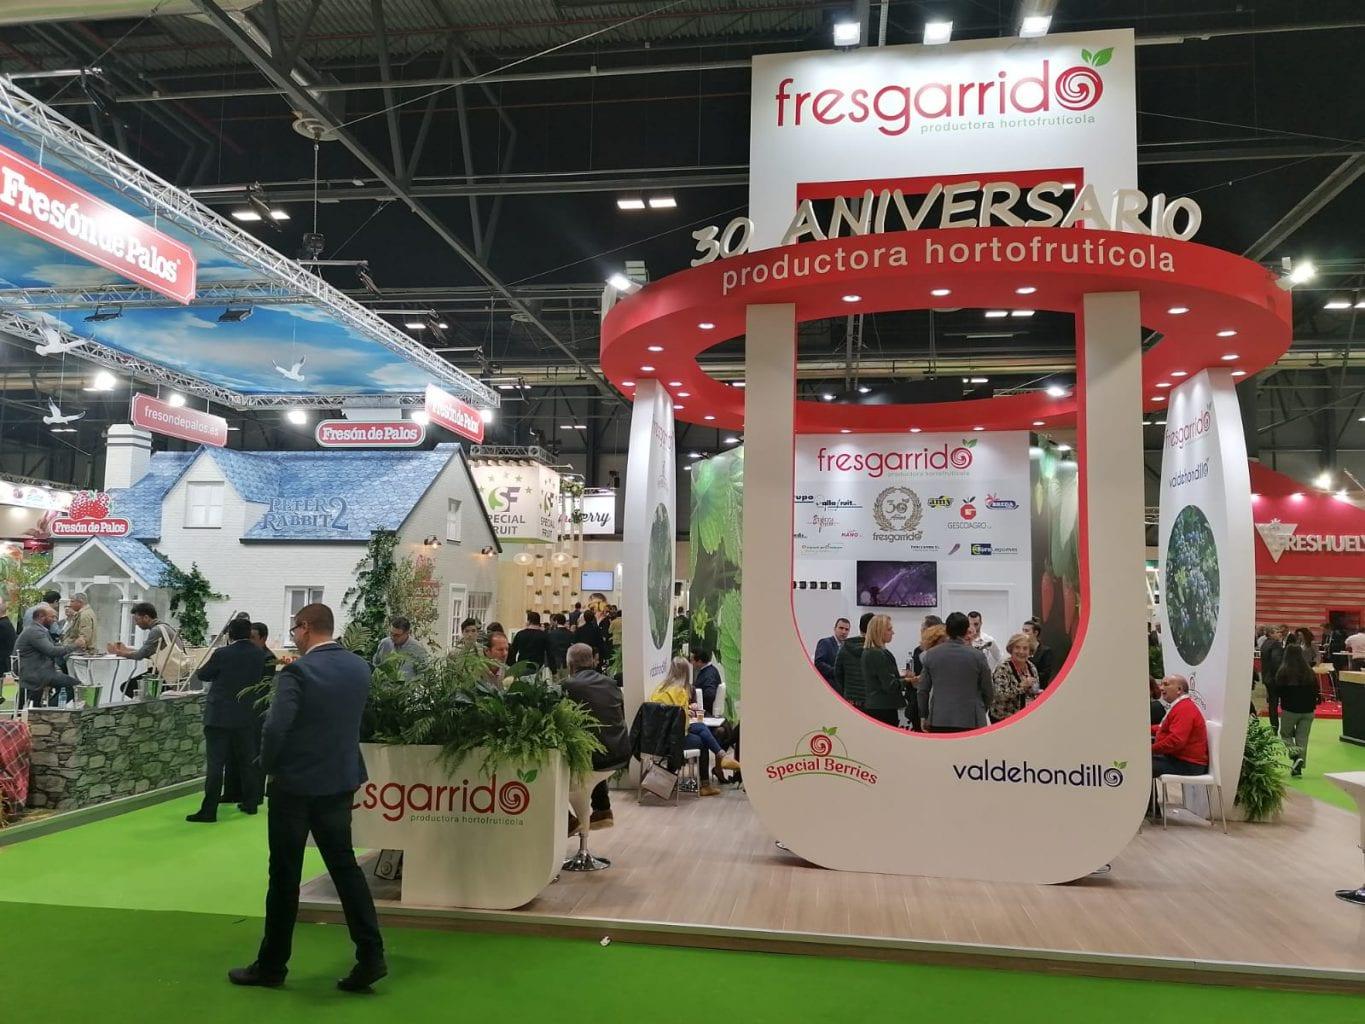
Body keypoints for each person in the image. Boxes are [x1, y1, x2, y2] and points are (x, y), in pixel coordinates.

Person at [229, 603, 385, 993]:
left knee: (284, 875)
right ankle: (371, 955)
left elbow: (275, 727)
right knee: (345, 868)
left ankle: (272, 965)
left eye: (295, 629)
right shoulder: (359, 667)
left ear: (305, 628)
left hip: (295, 785)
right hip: (340, 780)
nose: (294, 637)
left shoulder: (297, 672)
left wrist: (266, 765)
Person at [189, 617, 268, 822]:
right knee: (247, 761)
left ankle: (209, 810)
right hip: (246, 715)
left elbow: (204, 675)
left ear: (230, 634)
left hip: (220, 716)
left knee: (216, 764)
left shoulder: (222, 653)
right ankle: (251, 803)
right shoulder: (259, 654)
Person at [562, 642, 630, 831]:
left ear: (570, 665)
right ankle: (603, 809)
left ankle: (567, 820)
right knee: (593, 745)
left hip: (592, 760)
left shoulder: (566, 687)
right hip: (619, 753)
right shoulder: (611, 684)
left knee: (552, 772)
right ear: (592, 661)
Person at [649, 657, 739, 793]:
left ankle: (720, 759)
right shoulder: (680, 691)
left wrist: (686, 712)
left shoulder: (659, 689)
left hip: (656, 738)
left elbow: (669, 715)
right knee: (702, 740)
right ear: (686, 673)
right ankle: (708, 780)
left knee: (700, 731)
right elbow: (682, 724)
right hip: (672, 739)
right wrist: (688, 715)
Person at [917, 612, 993, 733]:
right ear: (966, 630)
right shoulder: (978, 656)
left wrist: (923, 715)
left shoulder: (931, 655)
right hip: (971, 718)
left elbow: (922, 690)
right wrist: (982, 708)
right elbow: (988, 689)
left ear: (946, 630)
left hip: (939, 718)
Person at [107, 602, 181, 698]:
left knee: (127, 687)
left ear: (146, 617)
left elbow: (140, 655)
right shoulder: (165, 627)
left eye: (137, 619)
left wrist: (120, 653)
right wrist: (127, 650)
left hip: (166, 674)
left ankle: (147, 705)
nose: (136, 624)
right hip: (173, 672)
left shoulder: (156, 631)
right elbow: (149, 652)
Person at [15, 602, 78, 708]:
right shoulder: (35, 632)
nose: (55, 620)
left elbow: (52, 647)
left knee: (63, 682)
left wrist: (65, 647)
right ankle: (48, 711)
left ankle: (43, 711)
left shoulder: (36, 630)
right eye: (52, 617)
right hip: (36, 672)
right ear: (41, 616)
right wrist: (75, 646)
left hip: (35, 670)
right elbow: (51, 651)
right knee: (72, 686)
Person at [1150, 674, 1208, 779]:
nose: (1161, 688)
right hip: (1177, 759)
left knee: (1139, 765)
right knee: (1139, 761)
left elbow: (1176, 740)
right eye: (1161, 684)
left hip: (1188, 765)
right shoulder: (1181, 705)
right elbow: (1164, 729)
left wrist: (1150, 749)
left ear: (1179, 690)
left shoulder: (1185, 708)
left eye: (1166, 684)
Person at [1276, 639, 1319, 777]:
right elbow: (1316, 690)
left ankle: (1295, 756)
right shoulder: (1309, 672)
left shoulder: (1283, 672)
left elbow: (1278, 691)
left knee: (1285, 734)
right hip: (1308, 710)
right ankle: (1298, 767)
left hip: (1290, 709)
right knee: (1302, 738)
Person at [861, 615, 906, 727]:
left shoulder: (871, 651)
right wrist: (908, 681)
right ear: (879, 631)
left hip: (877, 706)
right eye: (889, 629)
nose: (893, 633)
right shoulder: (877, 653)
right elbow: (890, 685)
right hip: (883, 708)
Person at [990, 632, 1040, 722]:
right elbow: (1000, 695)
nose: (1021, 651)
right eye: (1017, 647)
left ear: (1030, 651)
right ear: (1011, 649)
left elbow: (1034, 689)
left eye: (1025, 648)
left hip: (1026, 716)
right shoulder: (1003, 668)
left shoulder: (1032, 667)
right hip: (1004, 718)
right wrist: (1021, 686)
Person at [833, 612, 873, 708]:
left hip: (850, 700)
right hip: (871, 700)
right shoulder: (876, 649)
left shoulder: (845, 646)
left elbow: (837, 672)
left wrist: (846, 690)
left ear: (860, 627)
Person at [1259, 625, 1285, 731]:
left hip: (1267, 677)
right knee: (1284, 702)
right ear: (1270, 634)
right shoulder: (1275, 644)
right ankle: (1287, 728)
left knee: (1272, 704)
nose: (1280, 634)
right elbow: (1276, 662)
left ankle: (1274, 726)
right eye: (1277, 632)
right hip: (1275, 678)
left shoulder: (1265, 643)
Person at [813, 618, 850, 684]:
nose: (844, 632)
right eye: (841, 628)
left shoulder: (847, 647)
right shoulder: (825, 642)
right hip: (828, 685)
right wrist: (836, 672)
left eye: (846, 629)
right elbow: (818, 663)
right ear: (835, 629)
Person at [689, 647, 723, 716]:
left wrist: (697, 704)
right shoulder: (708, 671)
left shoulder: (709, 675)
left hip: (705, 711)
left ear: (699, 661)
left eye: (692, 660)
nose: (691, 663)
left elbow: (710, 695)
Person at [1022, 619, 1055, 688]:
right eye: (1023, 630)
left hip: (1039, 687)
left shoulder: (1045, 651)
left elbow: (1046, 673)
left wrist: (1030, 678)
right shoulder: (1022, 650)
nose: (1023, 633)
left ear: (1036, 633)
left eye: (1026, 631)